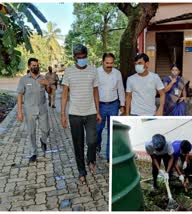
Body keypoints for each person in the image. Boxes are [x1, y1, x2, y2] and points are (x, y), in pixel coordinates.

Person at [61, 44, 102, 184]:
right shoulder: (68, 72)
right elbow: (65, 94)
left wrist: (98, 111)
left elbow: (96, 91)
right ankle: (81, 171)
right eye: (79, 58)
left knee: (92, 141)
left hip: (91, 113)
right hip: (75, 114)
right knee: (78, 144)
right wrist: (63, 115)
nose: (82, 60)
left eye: (84, 57)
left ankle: (91, 159)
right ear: (74, 58)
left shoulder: (93, 70)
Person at [17, 58, 51, 162]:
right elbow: (19, 95)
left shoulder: (43, 78)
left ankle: (43, 140)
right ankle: (34, 152)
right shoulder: (24, 80)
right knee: (31, 132)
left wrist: (47, 84)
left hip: (42, 108)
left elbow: (49, 92)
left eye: (36, 65)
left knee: (46, 129)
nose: (35, 67)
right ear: (29, 66)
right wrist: (20, 112)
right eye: (33, 65)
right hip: (29, 110)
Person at [96, 53, 125, 163]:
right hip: (100, 105)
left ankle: (109, 157)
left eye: (111, 63)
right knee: (98, 129)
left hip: (113, 104)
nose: (109, 65)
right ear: (102, 62)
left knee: (111, 131)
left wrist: (122, 104)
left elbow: (121, 89)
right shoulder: (96, 72)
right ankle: (97, 144)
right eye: (107, 63)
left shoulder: (117, 73)